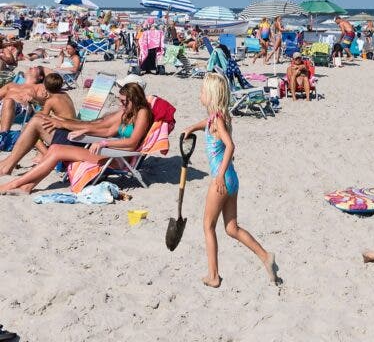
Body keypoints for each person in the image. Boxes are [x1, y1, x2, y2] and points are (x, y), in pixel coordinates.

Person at [182, 73, 278, 288]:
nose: (200, 95)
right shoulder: (219, 117)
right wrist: (191, 127)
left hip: (222, 178)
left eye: (202, 91)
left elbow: (230, 145)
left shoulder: (216, 120)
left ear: (212, 95)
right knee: (231, 228)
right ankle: (265, 256)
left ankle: (213, 276)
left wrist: (218, 175)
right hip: (232, 178)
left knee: (208, 226)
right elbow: (207, 124)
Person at [0, 82, 152, 194]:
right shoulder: (128, 112)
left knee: (56, 151)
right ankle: (26, 187)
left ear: (134, 99)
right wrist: (85, 130)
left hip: (118, 158)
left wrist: (104, 143)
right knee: (54, 149)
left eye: (124, 101)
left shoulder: (142, 113)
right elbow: (109, 130)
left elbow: (132, 144)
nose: (121, 104)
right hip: (108, 151)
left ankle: (13, 184)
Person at [0, 72, 74, 156]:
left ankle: (46, 155)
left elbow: (43, 115)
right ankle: (44, 154)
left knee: (31, 129)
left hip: (63, 131)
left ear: (45, 87)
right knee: (31, 127)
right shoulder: (65, 95)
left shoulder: (50, 100)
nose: (32, 69)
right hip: (69, 127)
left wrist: (34, 102)